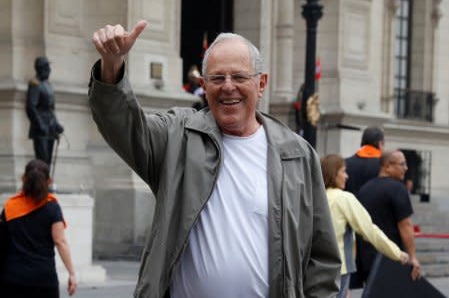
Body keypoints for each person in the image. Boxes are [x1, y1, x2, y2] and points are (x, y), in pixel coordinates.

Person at [89, 20, 340, 298]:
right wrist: (112, 64)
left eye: (239, 77)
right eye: (217, 78)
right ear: (204, 86)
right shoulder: (177, 137)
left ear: (261, 83)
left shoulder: (297, 154)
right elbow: (123, 126)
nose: (228, 87)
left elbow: (322, 259)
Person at [320, 154, 409, 298]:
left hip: (313, 269)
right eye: (343, 171)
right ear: (333, 173)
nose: (347, 176)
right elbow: (370, 231)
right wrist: (397, 253)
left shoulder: (313, 197)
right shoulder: (344, 198)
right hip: (338, 269)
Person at [0, 159, 77, 297]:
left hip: (13, 278)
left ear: (24, 179)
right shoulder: (52, 208)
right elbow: (60, 241)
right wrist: (71, 273)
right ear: (49, 181)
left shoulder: (10, 207)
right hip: (43, 279)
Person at [358, 150, 421, 283]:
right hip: (391, 257)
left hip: (367, 259)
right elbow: (405, 225)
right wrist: (413, 257)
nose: (406, 168)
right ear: (387, 166)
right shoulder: (398, 188)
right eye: (402, 164)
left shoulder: (364, 189)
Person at [345, 126, 384, 288]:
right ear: (380, 144)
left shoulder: (347, 163)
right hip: (376, 226)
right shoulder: (383, 166)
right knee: (377, 282)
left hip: (351, 227)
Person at [26, 56, 64, 167]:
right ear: (41, 68)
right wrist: (40, 124)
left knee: (47, 161)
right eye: (47, 67)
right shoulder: (35, 84)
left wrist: (57, 125)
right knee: (42, 161)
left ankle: (46, 183)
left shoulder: (47, 85)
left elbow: (51, 109)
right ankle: (41, 183)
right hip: (41, 130)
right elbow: (31, 107)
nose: (49, 70)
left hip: (50, 128)